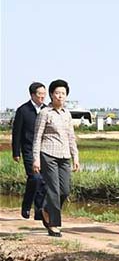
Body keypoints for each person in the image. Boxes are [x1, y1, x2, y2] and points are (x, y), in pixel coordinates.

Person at [31, 79, 80, 237]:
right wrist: (36, 159)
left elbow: (71, 137)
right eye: (57, 93)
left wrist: (75, 157)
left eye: (63, 94)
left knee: (64, 190)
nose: (60, 96)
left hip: (64, 155)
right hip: (48, 154)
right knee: (53, 189)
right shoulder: (45, 113)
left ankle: (45, 209)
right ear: (51, 95)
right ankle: (53, 225)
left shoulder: (67, 114)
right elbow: (37, 137)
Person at [12, 82, 47, 220]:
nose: (42, 97)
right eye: (40, 94)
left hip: (44, 150)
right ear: (32, 95)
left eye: (44, 94)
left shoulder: (46, 110)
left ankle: (39, 211)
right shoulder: (23, 110)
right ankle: (26, 205)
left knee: (43, 181)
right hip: (28, 150)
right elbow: (17, 132)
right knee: (35, 177)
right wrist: (16, 152)